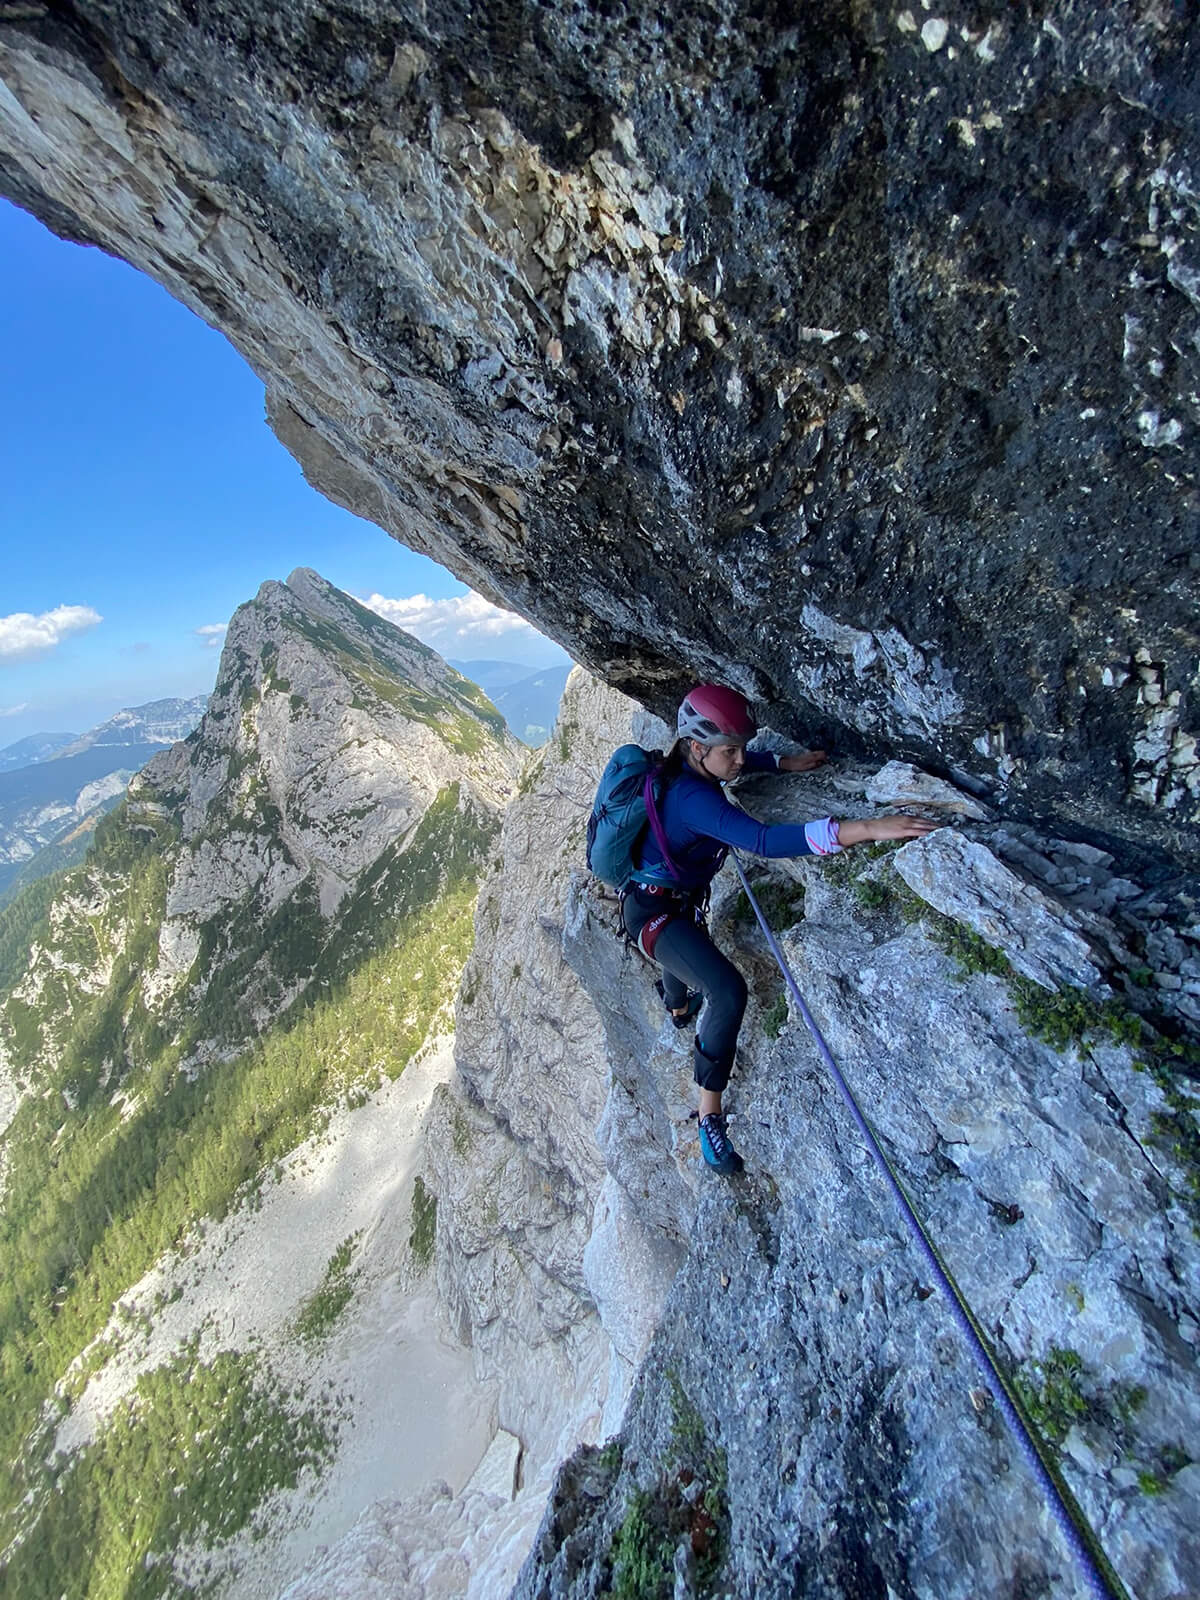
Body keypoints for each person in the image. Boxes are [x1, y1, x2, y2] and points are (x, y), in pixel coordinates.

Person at [621, 684, 939, 1175]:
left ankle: (679, 1008)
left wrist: (784, 764)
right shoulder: (691, 798)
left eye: (741, 748)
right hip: (653, 914)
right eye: (730, 751)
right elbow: (765, 842)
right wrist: (866, 828)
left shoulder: (686, 764)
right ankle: (708, 1114)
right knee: (726, 990)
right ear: (698, 748)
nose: (739, 760)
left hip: (670, 899)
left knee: (684, 961)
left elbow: (739, 761)